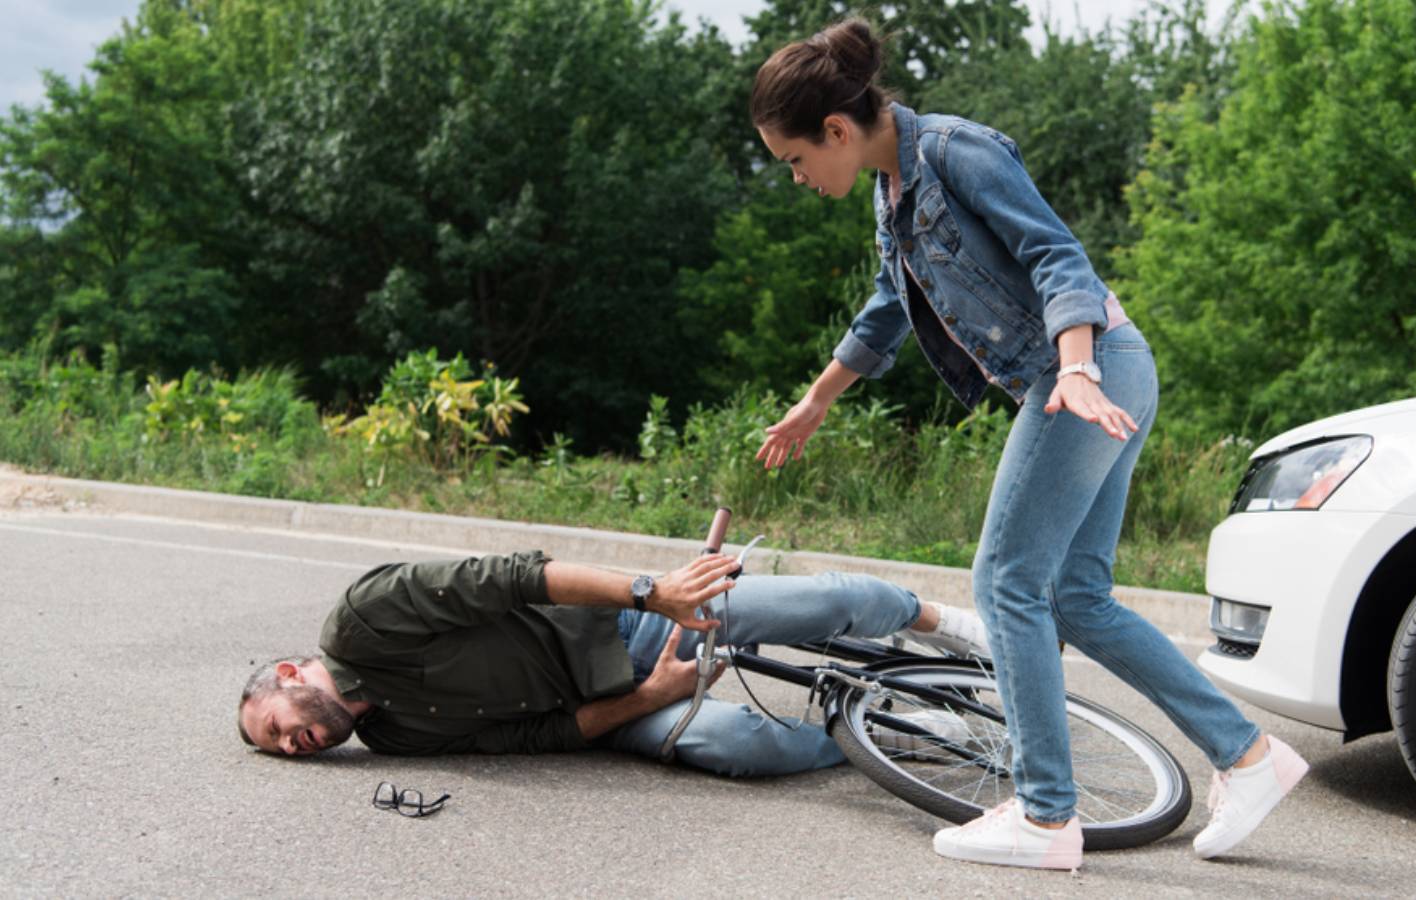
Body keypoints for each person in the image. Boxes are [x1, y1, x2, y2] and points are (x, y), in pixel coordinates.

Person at [748, 18, 1307, 869]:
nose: (795, 178)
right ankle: (1249, 757)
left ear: (834, 129)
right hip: (1102, 370)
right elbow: (887, 307)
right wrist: (814, 402)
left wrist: (1075, 366)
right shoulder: (890, 189)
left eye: (793, 160)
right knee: (1076, 595)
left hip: (1089, 369)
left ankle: (1047, 817)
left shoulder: (955, 152)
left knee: (1006, 578)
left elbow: (1056, 255)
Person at [235, 548, 988, 777]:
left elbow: (515, 576)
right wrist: (653, 697)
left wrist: (654, 594)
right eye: (280, 750)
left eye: (277, 728)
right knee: (735, 745)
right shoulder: (392, 741)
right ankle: (882, 738)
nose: (292, 745)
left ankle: (946, 622)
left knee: (804, 607)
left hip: (626, 624)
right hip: (618, 705)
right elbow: (537, 739)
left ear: (291, 677)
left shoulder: (361, 620)